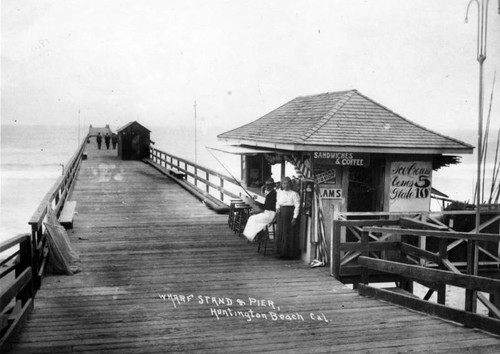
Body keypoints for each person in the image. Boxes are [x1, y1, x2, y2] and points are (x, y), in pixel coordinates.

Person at [242, 178, 277, 242]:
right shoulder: (270, 194)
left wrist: (258, 204)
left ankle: (257, 235)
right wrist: (258, 205)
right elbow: (266, 207)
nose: (268, 187)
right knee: (252, 218)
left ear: (273, 186)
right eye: (267, 185)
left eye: (270, 185)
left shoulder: (274, 194)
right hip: (267, 213)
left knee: (253, 219)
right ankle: (257, 235)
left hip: (271, 215)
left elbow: (269, 207)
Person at [275, 176, 300, 258]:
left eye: (287, 183)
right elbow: (277, 202)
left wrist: (295, 217)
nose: (285, 185)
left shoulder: (294, 194)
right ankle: (280, 253)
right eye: (284, 183)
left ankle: (289, 254)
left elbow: (297, 206)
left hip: (289, 215)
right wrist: (277, 208)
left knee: (289, 234)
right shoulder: (279, 192)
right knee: (281, 233)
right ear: (282, 184)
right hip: (281, 214)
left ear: (290, 184)